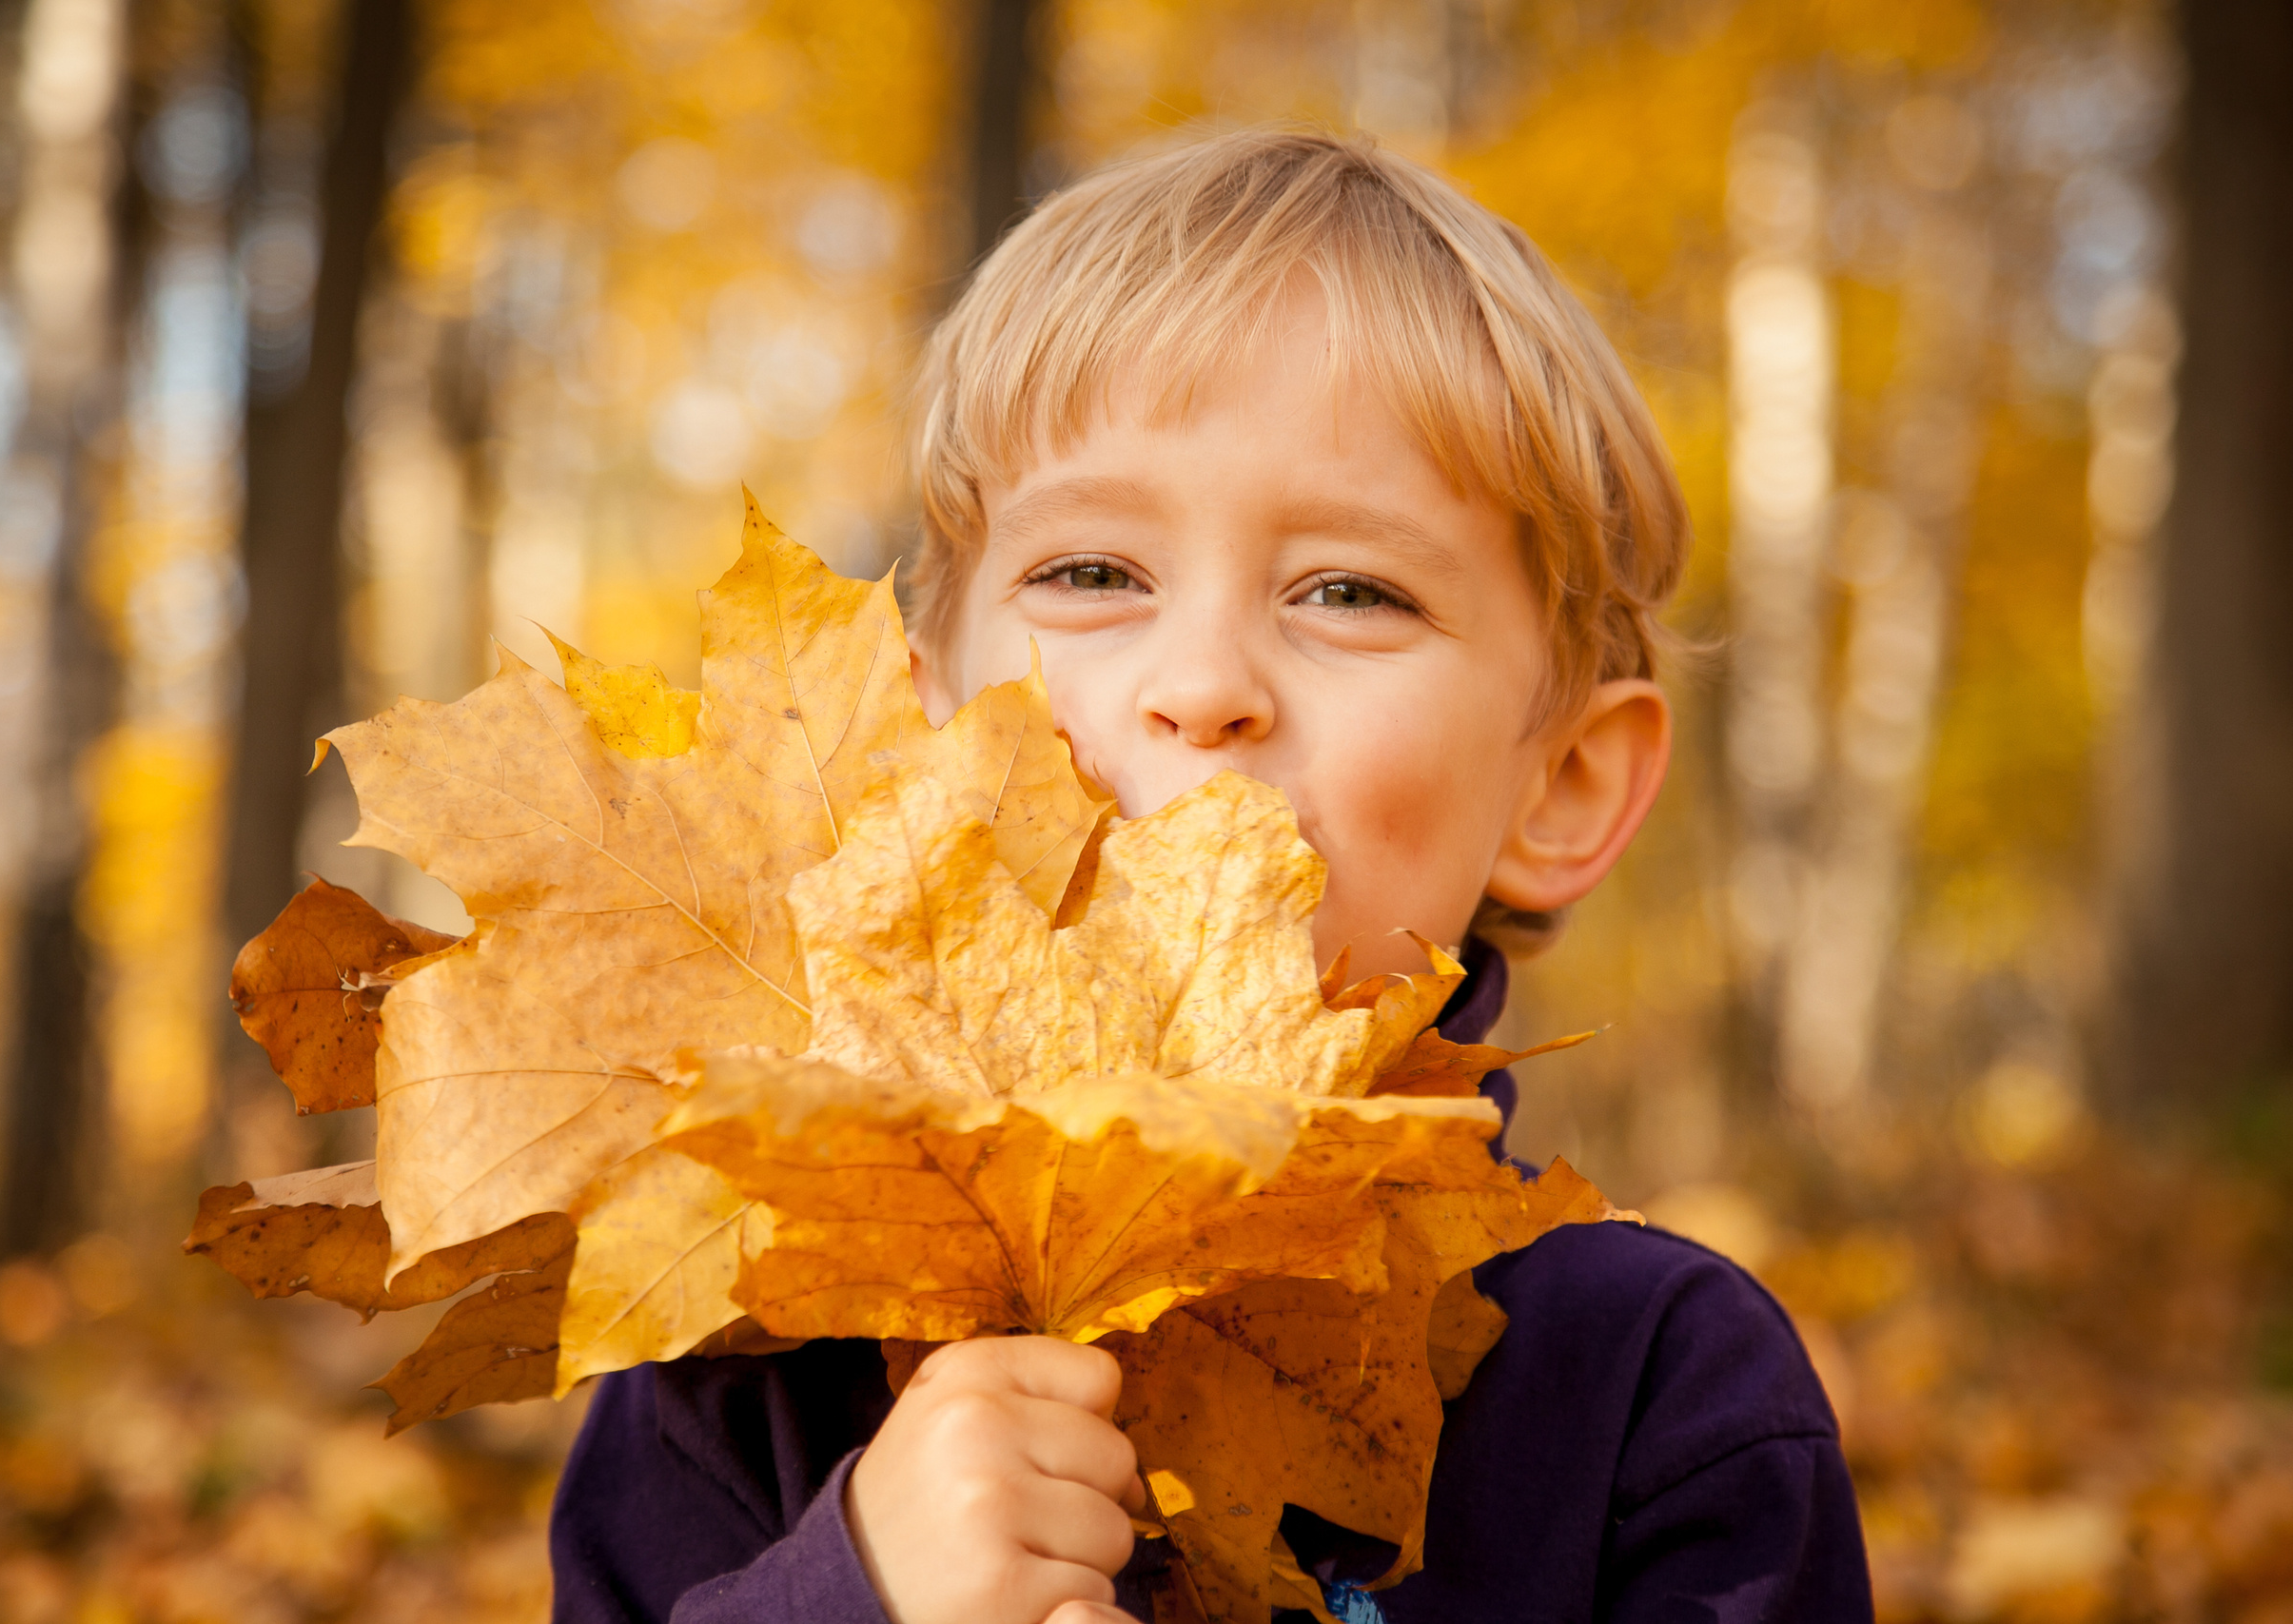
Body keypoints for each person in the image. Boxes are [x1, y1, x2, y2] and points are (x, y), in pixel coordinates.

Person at [549, 127, 1872, 1624]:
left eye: (1351, 592)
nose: (1201, 686)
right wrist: (853, 1596)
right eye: (1091, 575)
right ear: (920, 728)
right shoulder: (748, 1341)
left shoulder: (1660, 1395)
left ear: (1559, 784)